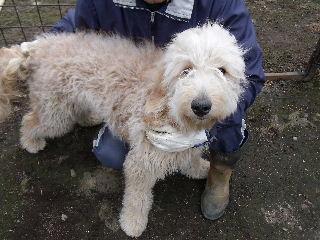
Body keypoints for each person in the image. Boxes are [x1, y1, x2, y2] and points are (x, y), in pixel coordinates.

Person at [52, 0, 265, 221]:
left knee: (229, 127)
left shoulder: (222, 5)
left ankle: (219, 172)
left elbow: (252, 74)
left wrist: (208, 132)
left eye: (221, 70)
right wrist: (42, 46)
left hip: (214, 113)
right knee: (112, 154)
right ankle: (136, 209)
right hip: (150, 91)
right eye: (187, 70)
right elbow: (78, 30)